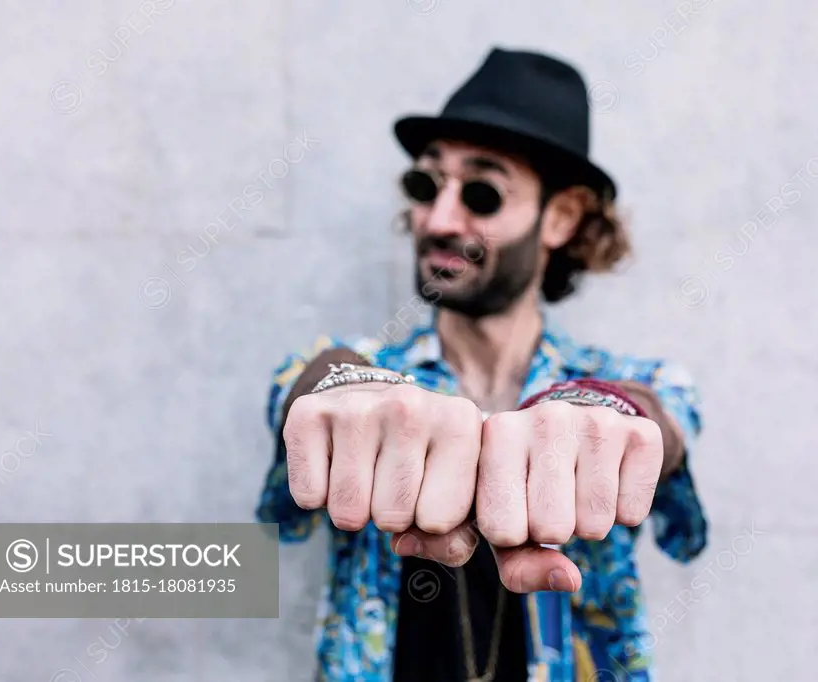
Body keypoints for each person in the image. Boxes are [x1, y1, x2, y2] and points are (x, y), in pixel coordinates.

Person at [257, 46, 707, 682]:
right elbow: (307, 382)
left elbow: (659, 418)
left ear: (561, 216)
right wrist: (345, 385)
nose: (438, 219)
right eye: (424, 184)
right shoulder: (372, 368)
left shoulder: (645, 380)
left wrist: (611, 413)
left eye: (482, 193)